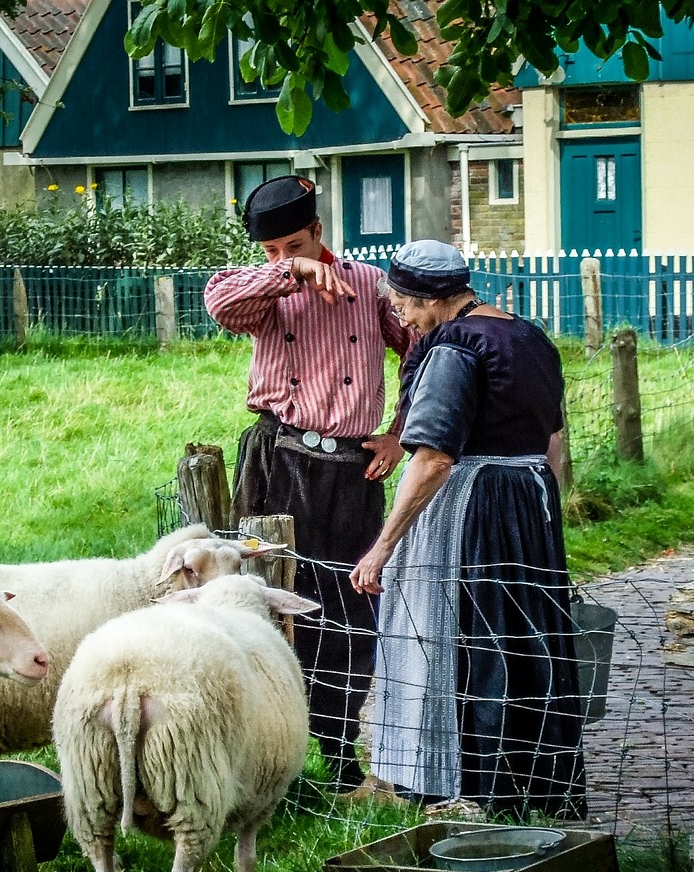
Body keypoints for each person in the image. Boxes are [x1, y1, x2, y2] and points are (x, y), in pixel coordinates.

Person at [349, 239, 586, 819]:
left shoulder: (454, 347)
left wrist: (382, 548)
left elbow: (433, 458)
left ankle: (469, 789)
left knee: (465, 638)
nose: (400, 316)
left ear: (431, 300)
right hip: (531, 500)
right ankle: (534, 785)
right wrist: (542, 512)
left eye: (403, 304)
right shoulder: (530, 336)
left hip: (470, 509)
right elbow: (553, 439)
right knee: (524, 640)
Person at [204, 175, 413, 792]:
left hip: (352, 469)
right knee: (269, 600)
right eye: (270, 249)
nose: (281, 256)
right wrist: (286, 272)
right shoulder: (259, 289)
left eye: (293, 244)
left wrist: (400, 431)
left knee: (349, 607)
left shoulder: (372, 285)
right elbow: (220, 306)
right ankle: (268, 753)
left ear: (319, 231)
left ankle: (342, 754)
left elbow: (422, 350)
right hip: (279, 457)